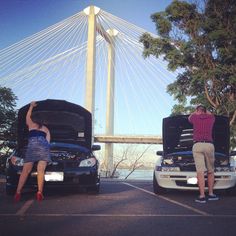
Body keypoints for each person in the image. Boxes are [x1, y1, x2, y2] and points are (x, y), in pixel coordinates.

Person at [14, 101, 51, 202]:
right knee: (41, 171)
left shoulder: (31, 124)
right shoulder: (46, 129)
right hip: (43, 148)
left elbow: (28, 116)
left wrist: (31, 106)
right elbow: (48, 143)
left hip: (32, 147)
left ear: (34, 119)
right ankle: (39, 192)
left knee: (25, 171)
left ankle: (18, 192)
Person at [188, 104, 219, 203]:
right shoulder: (211, 118)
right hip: (209, 145)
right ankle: (211, 194)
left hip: (197, 145)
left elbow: (189, 117)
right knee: (211, 171)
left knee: (200, 172)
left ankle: (201, 196)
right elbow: (210, 113)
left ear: (197, 111)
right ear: (205, 111)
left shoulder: (194, 117)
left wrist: (196, 111)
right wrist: (206, 110)